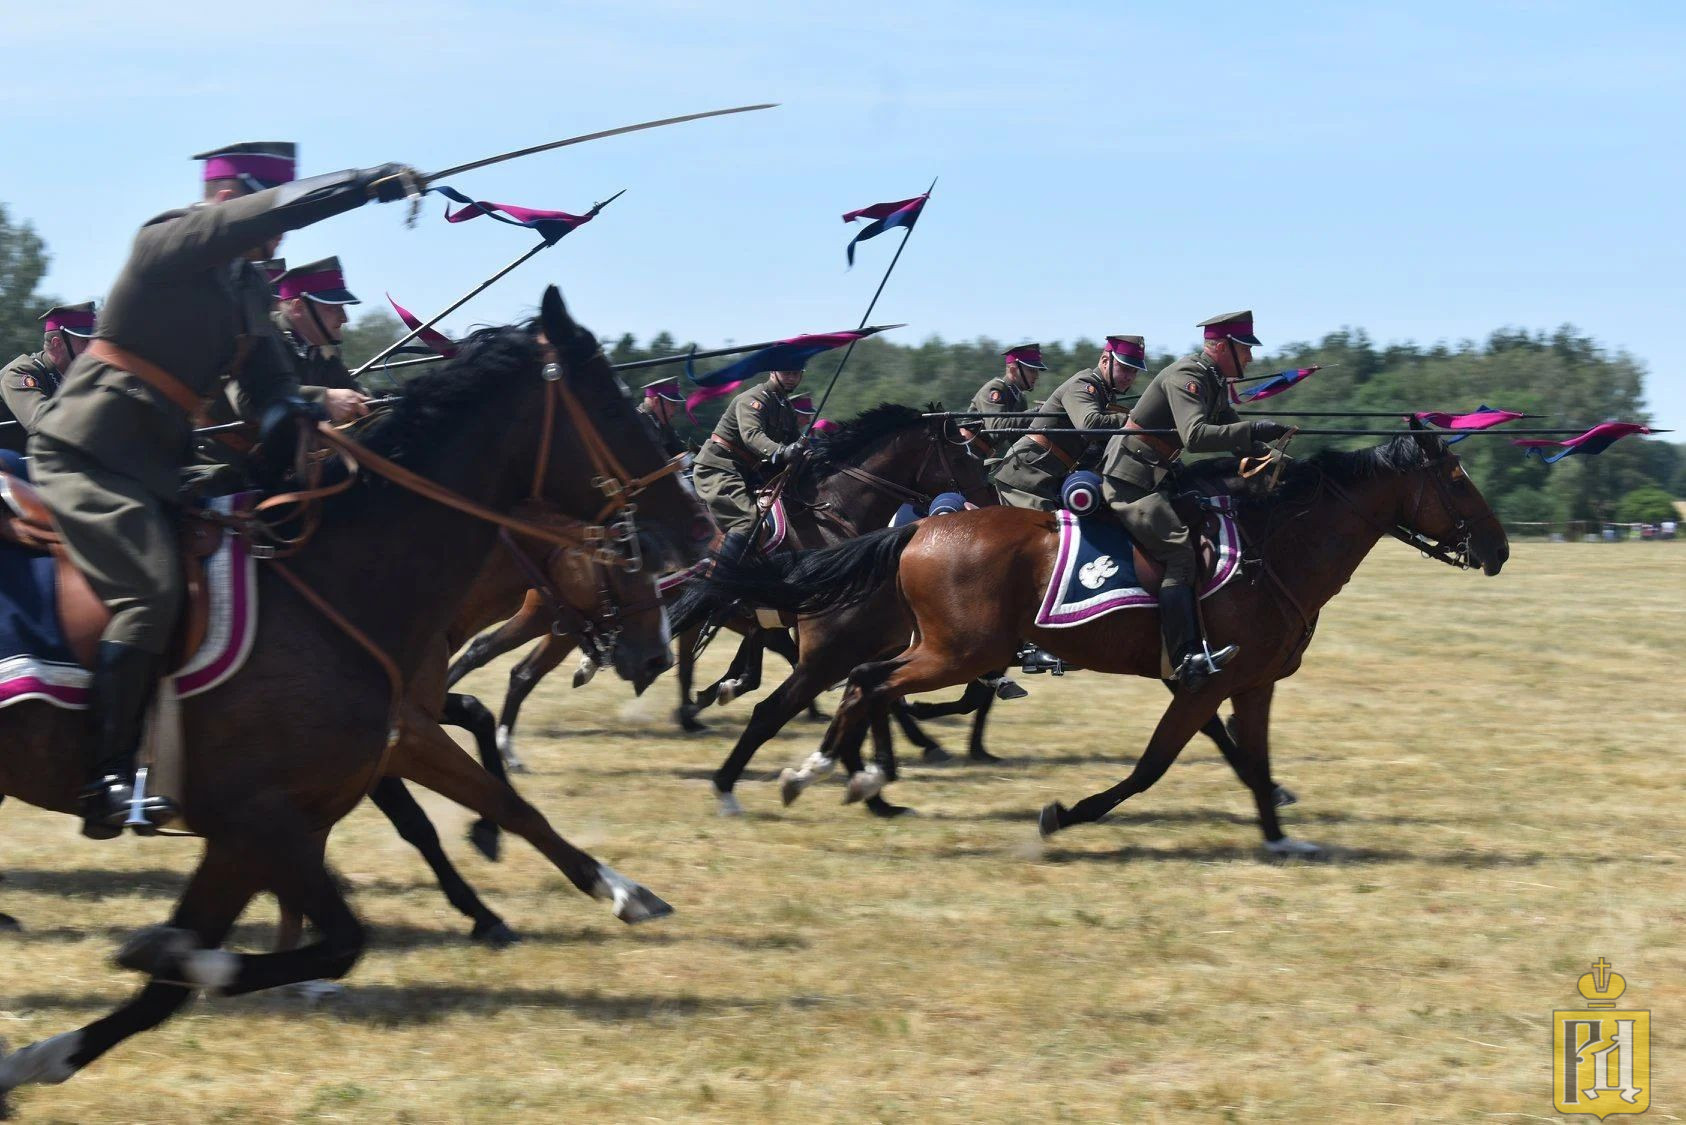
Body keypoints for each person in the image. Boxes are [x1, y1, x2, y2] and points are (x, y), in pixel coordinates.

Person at [28, 139, 420, 837]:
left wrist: (301, 422)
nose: (276, 235)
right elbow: (262, 215)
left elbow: (267, 389)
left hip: (165, 465)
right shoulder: (167, 242)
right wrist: (363, 185)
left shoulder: (247, 292)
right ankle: (108, 774)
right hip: (87, 453)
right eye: (263, 212)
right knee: (149, 592)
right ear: (223, 197)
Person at [1097, 311, 1292, 692]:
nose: (1250, 358)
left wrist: (1277, 456)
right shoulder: (1188, 376)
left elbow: (1235, 431)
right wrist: (1256, 427)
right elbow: (1197, 436)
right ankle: (1185, 656)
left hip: (1157, 476)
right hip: (1130, 480)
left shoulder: (1213, 379)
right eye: (1244, 349)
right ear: (1220, 347)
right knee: (1180, 555)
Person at [994, 334, 1146, 510]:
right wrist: (1132, 419)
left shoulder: (1104, 392)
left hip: (1047, 474)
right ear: (1105, 361)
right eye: (1125, 368)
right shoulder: (1084, 384)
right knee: (1057, 534)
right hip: (1026, 476)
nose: (1129, 376)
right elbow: (1090, 425)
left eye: (1134, 371)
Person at [691, 368, 804, 560]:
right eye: (786, 372)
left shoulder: (785, 408)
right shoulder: (755, 399)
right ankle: (721, 582)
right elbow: (752, 436)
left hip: (748, 473)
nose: (792, 377)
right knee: (746, 521)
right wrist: (781, 451)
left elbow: (796, 442)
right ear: (773, 371)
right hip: (718, 468)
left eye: (796, 373)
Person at [1, 303, 98, 445]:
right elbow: (43, 424)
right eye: (86, 341)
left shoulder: (81, 377)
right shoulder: (20, 373)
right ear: (57, 343)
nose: (94, 349)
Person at [272, 256, 369, 393]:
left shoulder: (324, 351)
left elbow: (356, 395)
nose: (344, 318)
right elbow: (261, 394)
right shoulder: (266, 339)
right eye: (333, 308)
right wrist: (325, 398)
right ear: (298, 309)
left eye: (342, 307)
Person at [962, 344, 1046, 459]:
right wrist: (1036, 413)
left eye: (1037, 371)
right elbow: (996, 429)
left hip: (980, 455)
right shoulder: (996, 389)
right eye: (1031, 370)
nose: (1036, 376)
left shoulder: (1019, 398)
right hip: (964, 451)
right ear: (1013, 370)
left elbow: (1017, 438)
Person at [636, 376, 688, 458]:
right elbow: (660, 459)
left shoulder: (661, 424)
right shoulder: (640, 423)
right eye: (672, 404)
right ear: (656, 401)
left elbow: (680, 449)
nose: (675, 410)